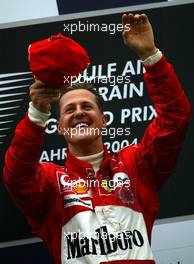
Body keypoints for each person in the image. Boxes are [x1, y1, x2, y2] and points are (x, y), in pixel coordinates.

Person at [3, 13, 191, 264]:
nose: (79, 112)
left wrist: (151, 57)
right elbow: (17, 177)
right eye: (70, 109)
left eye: (87, 107)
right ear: (59, 127)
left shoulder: (135, 166)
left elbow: (175, 119)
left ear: (103, 120)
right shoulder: (50, 183)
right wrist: (37, 113)